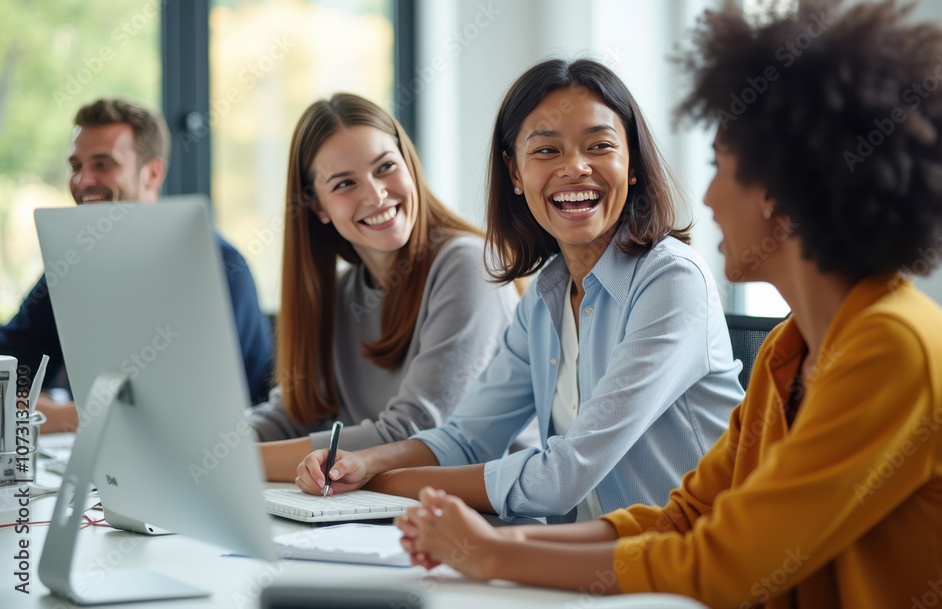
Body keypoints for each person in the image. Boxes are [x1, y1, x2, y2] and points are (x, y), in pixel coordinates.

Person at [392, 0, 942, 607]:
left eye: (718, 168)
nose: (705, 199)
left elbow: (726, 563)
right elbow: (683, 518)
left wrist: (494, 555)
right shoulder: (787, 352)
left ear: (776, 190)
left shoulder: (891, 346)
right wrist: (495, 550)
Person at [296, 60, 745, 523]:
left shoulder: (671, 280)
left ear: (632, 163)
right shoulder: (545, 294)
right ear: (514, 172)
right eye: (547, 150)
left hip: (680, 579)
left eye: (600, 146)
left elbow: (560, 479)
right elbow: (465, 438)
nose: (575, 167)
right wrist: (365, 463)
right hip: (579, 565)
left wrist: (382, 482)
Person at [248, 93, 519, 482]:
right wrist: (213, 446)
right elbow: (292, 413)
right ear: (318, 207)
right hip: (384, 517)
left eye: (386, 167)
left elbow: (413, 433)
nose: (375, 195)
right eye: (344, 184)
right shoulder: (344, 294)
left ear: (409, 164)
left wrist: (230, 467)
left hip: (489, 521)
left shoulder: (470, 264)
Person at [0, 98, 273, 432]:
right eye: (75, 165)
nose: (83, 181)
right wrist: (59, 412)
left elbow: (207, 410)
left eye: (103, 164)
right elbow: (9, 366)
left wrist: (65, 414)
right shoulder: (73, 264)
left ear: (153, 173)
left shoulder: (217, 265)